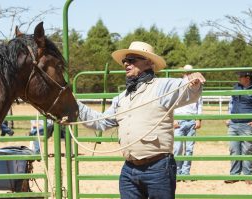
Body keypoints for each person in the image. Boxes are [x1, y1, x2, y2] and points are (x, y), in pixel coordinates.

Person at [76, 41, 205, 199]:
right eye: (125, 61)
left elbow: (190, 92)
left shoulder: (162, 87)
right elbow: (100, 121)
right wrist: (74, 105)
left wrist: (194, 82)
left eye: (132, 60)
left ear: (148, 62)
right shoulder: (122, 98)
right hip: (129, 170)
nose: (126, 64)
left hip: (158, 168)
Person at [225, 71, 252, 185]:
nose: (238, 78)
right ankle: (234, 175)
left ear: (247, 78)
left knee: (247, 150)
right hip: (234, 123)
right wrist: (229, 117)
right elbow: (231, 103)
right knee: (233, 149)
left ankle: (248, 175)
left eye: (240, 76)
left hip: (249, 124)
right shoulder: (236, 87)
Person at [173, 65, 203, 178]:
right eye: (186, 73)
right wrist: (174, 119)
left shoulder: (197, 84)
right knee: (177, 148)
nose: (188, 74)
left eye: (190, 72)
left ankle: (185, 173)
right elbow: (172, 103)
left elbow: (199, 104)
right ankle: (177, 172)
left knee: (189, 148)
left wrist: (198, 119)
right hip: (179, 119)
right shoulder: (178, 85)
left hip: (191, 119)